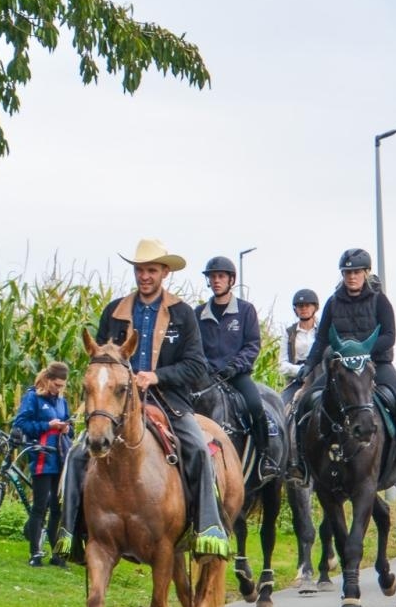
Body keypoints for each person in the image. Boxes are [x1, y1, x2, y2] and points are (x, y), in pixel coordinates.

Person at [56, 238, 232, 560]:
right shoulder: (115, 311)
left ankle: (206, 528)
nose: (144, 276)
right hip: (118, 403)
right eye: (140, 270)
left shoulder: (182, 314)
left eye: (151, 270)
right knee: (78, 455)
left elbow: (196, 365)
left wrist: (156, 376)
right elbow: (102, 357)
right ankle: (72, 536)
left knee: (197, 450)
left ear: (165, 272)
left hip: (168, 400)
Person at [292, 248, 396, 481]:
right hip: (341, 370)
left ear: (366, 273)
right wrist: (308, 366)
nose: (352, 276)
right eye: (347, 272)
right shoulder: (332, 302)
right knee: (306, 402)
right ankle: (301, 463)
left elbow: (390, 335)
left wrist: (363, 350)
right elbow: (321, 339)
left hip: (376, 364)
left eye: (357, 272)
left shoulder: (379, 300)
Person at [195, 256, 271, 473]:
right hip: (206, 377)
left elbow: (252, 345)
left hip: (236, 375)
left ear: (231, 280)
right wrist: (205, 366)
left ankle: (265, 457)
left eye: (221, 276)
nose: (216, 280)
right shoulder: (198, 313)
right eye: (212, 277)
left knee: (256, 405)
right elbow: (194, 347)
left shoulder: (246, 310)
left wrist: (235, 366)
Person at [12, 361, 74, 566]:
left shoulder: (61, 401)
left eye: (62, 386)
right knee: (40, 506)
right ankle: (35, 554)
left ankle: (58, 555)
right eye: (56, 385)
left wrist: (66, 428)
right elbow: (21, 424)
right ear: (47, 380)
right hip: (41, 458)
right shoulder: (33, 398)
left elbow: (69, 426)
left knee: (58, 508)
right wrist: (47, 425)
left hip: (60, 458)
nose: (59, 389)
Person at [280, 288, 320, 406]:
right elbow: (282, 365)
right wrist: (299, 370)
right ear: (295, 309)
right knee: (282, 407)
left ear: (315, 308)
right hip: (296, 381)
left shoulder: (322, 331)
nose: (304, 309)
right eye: (300, 306)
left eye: (307, 305)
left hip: (319, 379)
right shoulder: (289, 333)